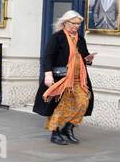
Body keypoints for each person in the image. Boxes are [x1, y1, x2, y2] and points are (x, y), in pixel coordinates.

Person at [32, 10, 94, 145]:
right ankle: (55, 132)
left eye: (78, 24)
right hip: (62, 78)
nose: (76, 26)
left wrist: (88, 59)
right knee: (61, 105)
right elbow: (48, 57)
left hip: (79, 79)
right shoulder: (57, 37)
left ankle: (68, 128)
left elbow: (85, 56)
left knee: (83, 102)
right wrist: (48, 74)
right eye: (74, 23)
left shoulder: (80, 39)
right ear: (65, 23)